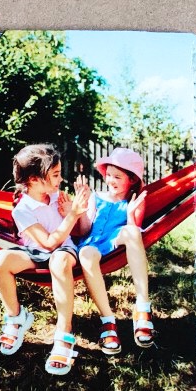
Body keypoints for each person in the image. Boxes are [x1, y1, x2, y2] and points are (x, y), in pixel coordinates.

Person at [0, 143, 89, 375]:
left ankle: (64, 332)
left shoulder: (58, 196)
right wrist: (72, 215)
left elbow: (79, 232)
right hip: (37, 252)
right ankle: (16, 317)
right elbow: (47, 243)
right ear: (34, 180)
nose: (60, 179)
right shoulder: (22, 210)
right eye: (55, 175)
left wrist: (76, 212)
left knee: (58, 261)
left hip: (64, 251)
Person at [76, 147, 154, 354]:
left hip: (114, 241)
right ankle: (108, 320)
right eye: (108, 175)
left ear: (132, 180)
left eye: (117, 177)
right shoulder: (96, 197)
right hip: (91, 244)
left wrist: (130, 213)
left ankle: (142, 307)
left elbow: (134, 234)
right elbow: (84, 230)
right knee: (85, 254)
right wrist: (82, 208)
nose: (111, 180)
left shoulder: (134, 201)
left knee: (132, 231)